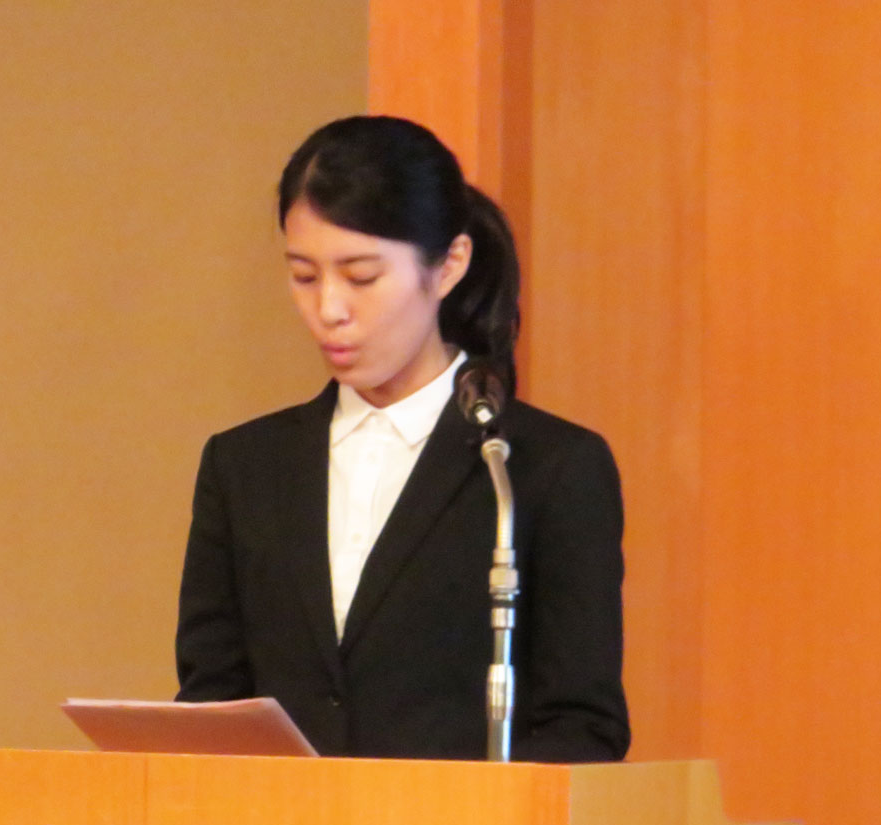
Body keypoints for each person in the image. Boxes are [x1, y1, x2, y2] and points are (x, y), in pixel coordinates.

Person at [174, 114, 630, 762]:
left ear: (448, 265)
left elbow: (583, 730)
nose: (329, 309)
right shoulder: (244, 466)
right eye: (304, 276)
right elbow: (209, 709)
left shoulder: (541, 469)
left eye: (361, 277)